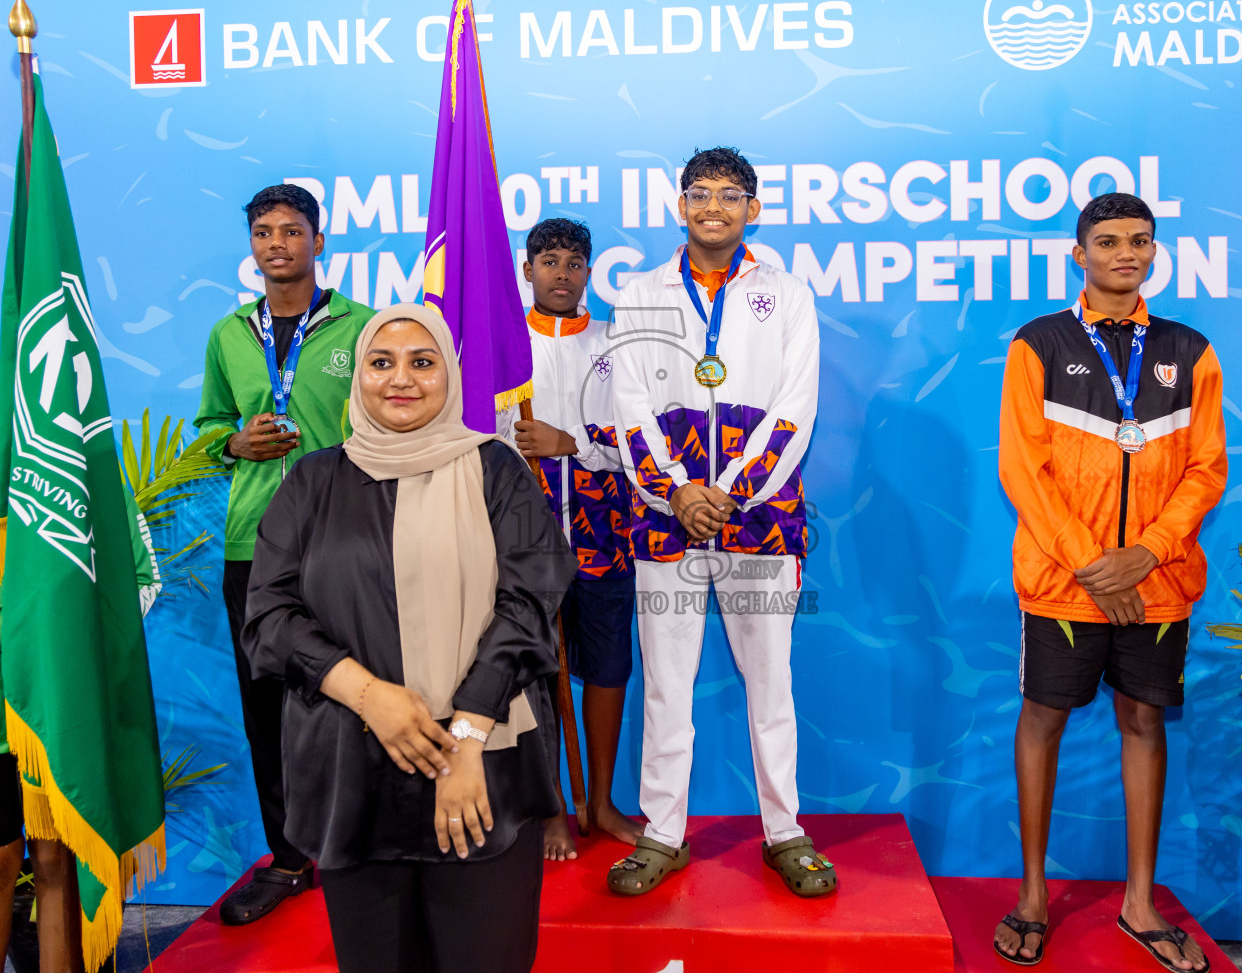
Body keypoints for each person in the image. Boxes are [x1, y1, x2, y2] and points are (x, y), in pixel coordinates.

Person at [242, 304, 574, 973]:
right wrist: (369, 696)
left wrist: (468, 736)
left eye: (422, 363)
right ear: (356, 376)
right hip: (351, 775)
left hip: (482, 771)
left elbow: (532, 600)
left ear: (448, 375)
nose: (402, 379)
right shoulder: (311, 482)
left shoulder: (497, 470)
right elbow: (268, 618)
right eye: (381, 362)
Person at [995, 192, 1226, 970]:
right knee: (1044, 722)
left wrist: (1150, 551)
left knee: (1143, 725)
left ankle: (1138, 901)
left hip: (1156, 586)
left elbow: (1205, 469)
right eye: (1107, 241)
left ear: (1154, 253)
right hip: (1066, 583)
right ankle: (1031, 895)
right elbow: (1024, 470)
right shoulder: (1039, 343)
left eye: (1140, 241)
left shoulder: (1190, 350)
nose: (1125, 252)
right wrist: (1095, 565)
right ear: (1079, 255)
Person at [606, 146, 830, 898]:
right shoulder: (640, 293)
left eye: (730, 195)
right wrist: (676, 494)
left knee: (772, 684)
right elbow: (628, 404)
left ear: (753, 209)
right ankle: (662, 833)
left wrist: (729, 493)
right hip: (666, 521)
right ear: (680, 204)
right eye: (699, 192)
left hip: (760, 520)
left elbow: (797, 408)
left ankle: (785, 832)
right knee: (667, 686)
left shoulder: (788, 293)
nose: (714, 206)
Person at [0, 362, 161, 973]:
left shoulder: (100, 491)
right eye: (7, 404)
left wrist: (67, 641)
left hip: (65, 710)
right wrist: (17, 632)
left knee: (56, 859)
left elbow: (140, 583)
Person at [194, 183, 375, 925]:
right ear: (252, 246)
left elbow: (394, 422)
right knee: (265, 703)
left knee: (358, 697)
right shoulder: (229, 334)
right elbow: (207, 430)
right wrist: (235, 443)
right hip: (252, 546)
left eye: (292, 231)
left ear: (319, 241)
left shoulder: (364, 328)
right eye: (264, 232)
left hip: (344, 541)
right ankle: (291, 857)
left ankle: (365, 845)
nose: (277, 244)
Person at [511, 218, 644, 862]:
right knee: (533, 673)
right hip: (523, 543)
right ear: (527, 268)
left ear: (589, 273)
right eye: (549, 260)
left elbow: (646, 439)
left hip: (605, 534)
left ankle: (601, 800)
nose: (562, 272)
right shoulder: (502, 350)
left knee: (608, 668)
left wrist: (575, 445)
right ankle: (550, 808)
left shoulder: (615, 343)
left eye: (574, 262)